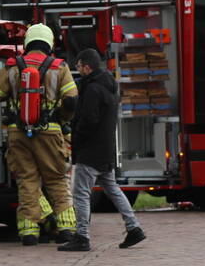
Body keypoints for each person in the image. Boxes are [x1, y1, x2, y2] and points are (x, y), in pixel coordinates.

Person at [0, 23, 78, 246]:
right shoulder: (59, 67)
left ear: (27, 42)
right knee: (57, 179)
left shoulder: (13, 65)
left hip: (18, 132)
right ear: (49, 43)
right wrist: (62, 119)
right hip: (50, 132)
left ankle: (29, 231)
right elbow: (71, 100)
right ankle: (67, 228)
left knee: (27, 181)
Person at [59, 49, 145, 252]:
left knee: (81, 193)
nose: (78, 70)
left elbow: (88, 120)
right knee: (113, 189)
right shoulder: (108, 87)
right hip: (106, 149)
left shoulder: (92, 89)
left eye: (79, 66)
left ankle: (82, 237)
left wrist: (75, 137)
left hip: (90, 150)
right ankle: (134, 227)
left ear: (87, 67)